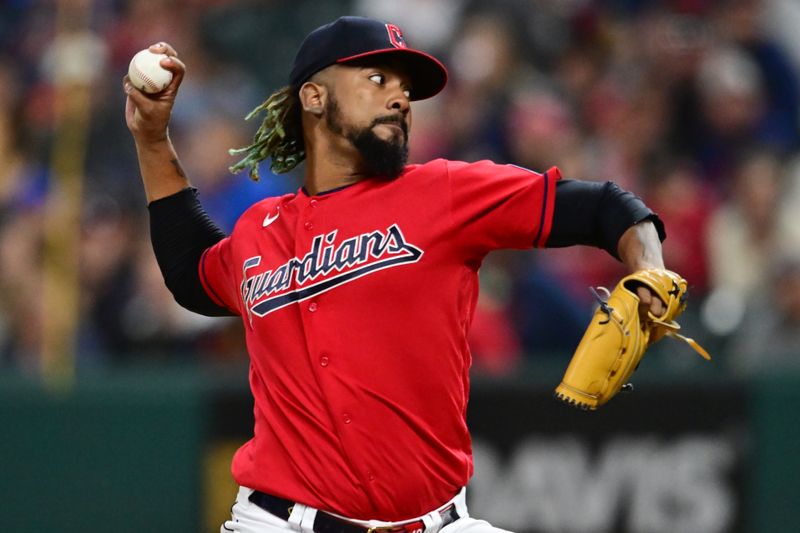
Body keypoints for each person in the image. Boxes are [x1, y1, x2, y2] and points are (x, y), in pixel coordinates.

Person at [124, 16, 670, 533]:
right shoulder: (259, 231)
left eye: (406, 88)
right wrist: (152, 141)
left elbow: (605, 207)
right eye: (377, 78)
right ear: (314, 96)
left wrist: (650, 269)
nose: (400, 97)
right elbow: (192, 275)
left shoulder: (444, 192)